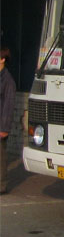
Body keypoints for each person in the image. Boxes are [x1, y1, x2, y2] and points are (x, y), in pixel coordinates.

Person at [0, 47, 15, 194]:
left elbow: (8, 105)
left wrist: (4, 128)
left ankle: (1, 185)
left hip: (0, 124)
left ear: (2, 59)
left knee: (1, 156)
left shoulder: (8, 80)